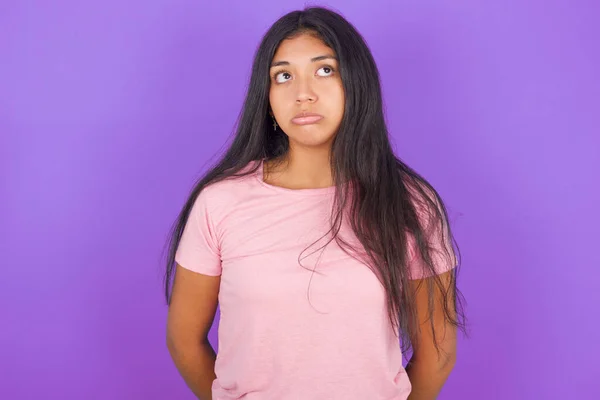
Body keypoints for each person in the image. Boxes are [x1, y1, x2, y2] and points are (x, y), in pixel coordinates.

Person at [163, 6, 466, 400]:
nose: (302, 93)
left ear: (355, 84)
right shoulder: (220, 202)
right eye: (283, 76)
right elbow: (183, 340)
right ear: (266, 95)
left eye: (325, 70)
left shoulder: (410, 204)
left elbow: (437, 354)